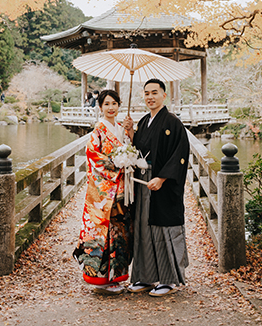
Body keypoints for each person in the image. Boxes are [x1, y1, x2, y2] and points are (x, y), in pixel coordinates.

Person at [123, 78, 190, 297]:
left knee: (163, 228)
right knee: (144, 227)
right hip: (144, 183)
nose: (150, 97)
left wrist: (162, 178)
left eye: (155, 92)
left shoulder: (172, 122)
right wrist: (132, 133)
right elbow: (141, 149)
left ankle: (168, 279)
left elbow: (180, 154)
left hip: (162, 184)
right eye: (147, 93)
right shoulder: (143, 121)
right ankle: (146, 276)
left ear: (164, 95)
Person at [73, 90, 133, 295]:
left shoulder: (120, 128)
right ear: (100, 107)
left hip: (121, 188)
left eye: (114, 103)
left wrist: (129, 140)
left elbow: (130, 149)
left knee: (120, 231)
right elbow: (92, 156)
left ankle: (115, 276)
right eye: (106, 104)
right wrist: (115, 163)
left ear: (119, 105)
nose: (111, 107)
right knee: (103, 233)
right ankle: (101, 278)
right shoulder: (99, 129)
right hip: (104, 190)